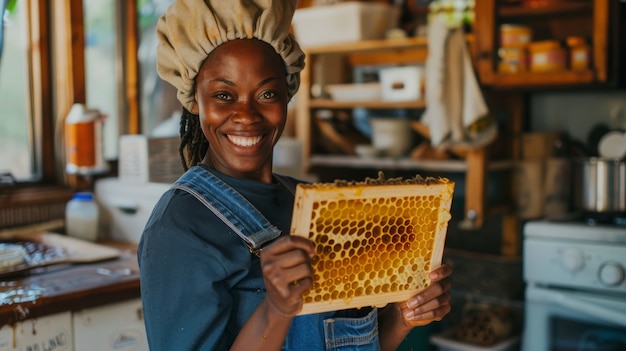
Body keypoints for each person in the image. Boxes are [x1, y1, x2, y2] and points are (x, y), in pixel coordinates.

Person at [137, 1, 452, 350]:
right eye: (224, 95)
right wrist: (276, 309)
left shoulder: (314, 206)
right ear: (195, 100)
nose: (246, 114)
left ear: (288, 93)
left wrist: (403, 317)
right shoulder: (178, 228)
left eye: (267, 93)